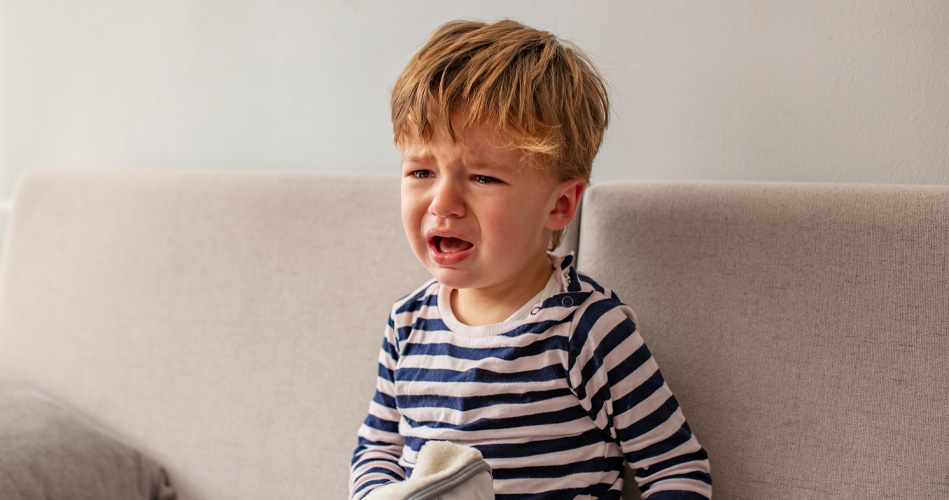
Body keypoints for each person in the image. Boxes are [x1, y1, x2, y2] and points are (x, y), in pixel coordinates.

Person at [350, 19, 712, 500]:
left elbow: (676, 468)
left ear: (560, 205)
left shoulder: (587, 331)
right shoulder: (407, 324)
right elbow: (377, 450)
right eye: (421, 170)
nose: (443, 202)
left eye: (483, 178)